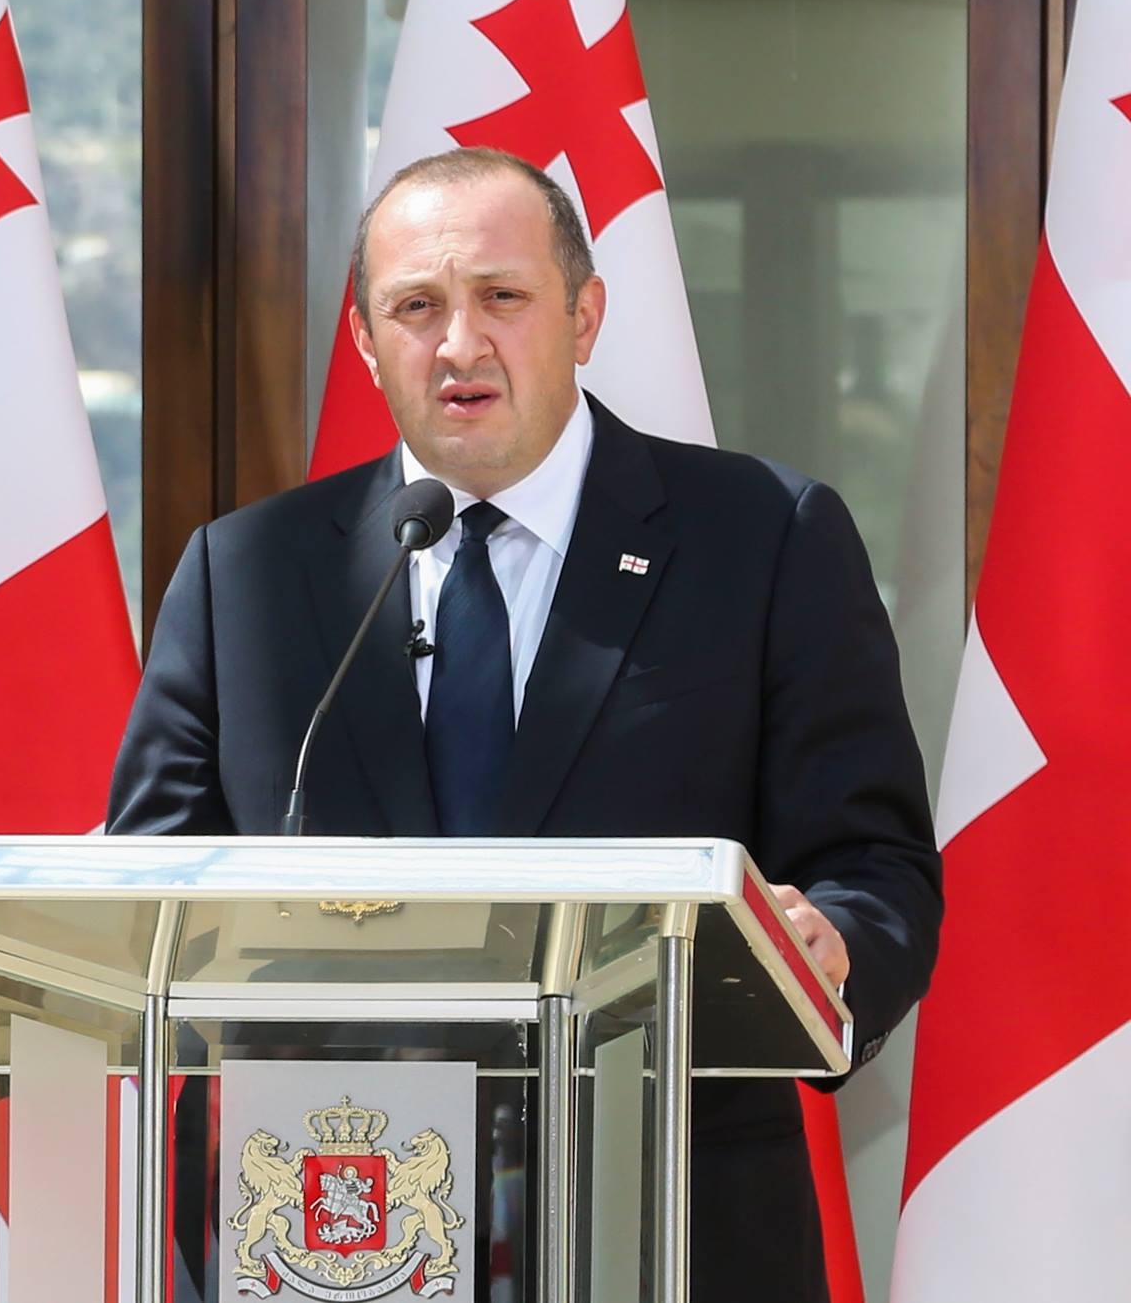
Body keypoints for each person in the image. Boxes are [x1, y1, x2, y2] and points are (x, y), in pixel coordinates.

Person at [107, 147, 941, 1303]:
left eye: (499, 295)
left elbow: (873, 864)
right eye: (415, 306)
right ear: (364, 341)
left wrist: (832, 941)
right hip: (331, 1213)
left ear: (582, 314)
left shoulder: (759, 538)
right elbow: (144, 897)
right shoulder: (242, 573)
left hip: (665, 1219)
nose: (458, 343)